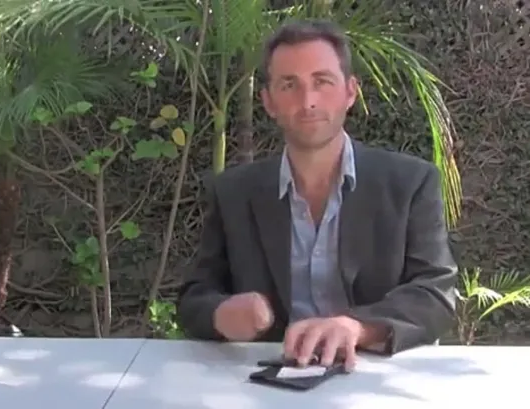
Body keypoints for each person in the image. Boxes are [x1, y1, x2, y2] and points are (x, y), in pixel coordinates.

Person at [176, 19, 457, 370]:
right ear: (268, 101)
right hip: (266, 378)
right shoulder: (234, 191)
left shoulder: (410, 182)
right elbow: (194, 297)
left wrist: (359, 327)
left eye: (322, 82)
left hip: (375, 376)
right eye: (288, 84)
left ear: (350, 92)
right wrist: (222, 314)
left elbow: (436, 291)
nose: (307, 100)